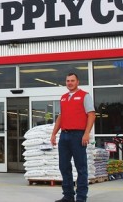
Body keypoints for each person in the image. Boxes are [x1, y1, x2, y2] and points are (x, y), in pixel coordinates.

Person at [50, 73, 96, 202]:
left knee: (81, 167)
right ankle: (68, 196)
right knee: (63, 166)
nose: (69, 83)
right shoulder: (63, 98)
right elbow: (61, 117)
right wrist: (54, 134)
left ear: (77, 82)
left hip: (78, 135)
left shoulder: (84, 96)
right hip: (64, 135)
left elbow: (91, 115)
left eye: (72, 80)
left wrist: (86, 133)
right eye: (67, 81)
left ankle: (81, 197)